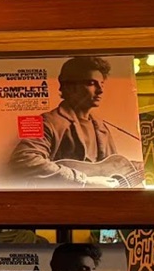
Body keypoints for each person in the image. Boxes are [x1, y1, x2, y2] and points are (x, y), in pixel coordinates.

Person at [7, 56, 128, 187]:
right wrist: (84, 180)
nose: (100, 90)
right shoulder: (46, 121)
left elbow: (113, 167)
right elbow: (23, 159)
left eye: (102, 84)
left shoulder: (101, 126)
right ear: (69, 87)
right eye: (91, 83)